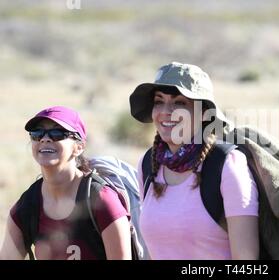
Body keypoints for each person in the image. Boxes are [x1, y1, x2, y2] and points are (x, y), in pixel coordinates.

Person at [129, 62, 259, 260]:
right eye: (158, 101)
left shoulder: (226, 164)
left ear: (204, 113)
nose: (166, 111)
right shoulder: (149, 164)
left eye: (179, 103)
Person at [0, 106, 132, 260]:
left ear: (79, 147)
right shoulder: (26, 207)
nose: (45, 138)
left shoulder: (102, 200)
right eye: (37, 133)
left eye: (57, 133)